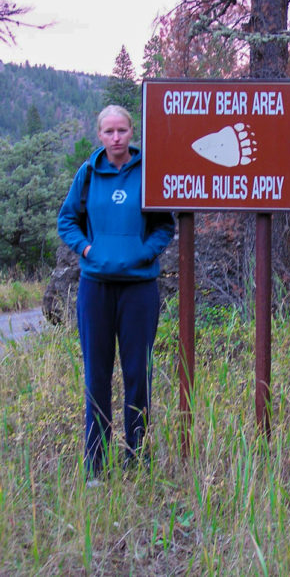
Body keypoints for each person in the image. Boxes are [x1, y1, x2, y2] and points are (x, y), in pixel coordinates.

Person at [58, 105, 175, 480]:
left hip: (140, 289)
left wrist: (143, 252)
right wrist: (89, 250)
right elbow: (67, 221)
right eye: (108, 131)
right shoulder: (88, 174)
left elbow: (164, 226)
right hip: (96, 288)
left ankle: (137, 458)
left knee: (137, 373)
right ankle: (96, 461)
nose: (116, 138)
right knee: (97, 375)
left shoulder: (149, 170)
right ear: (99, 134)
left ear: (131, 131)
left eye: (122, 130)